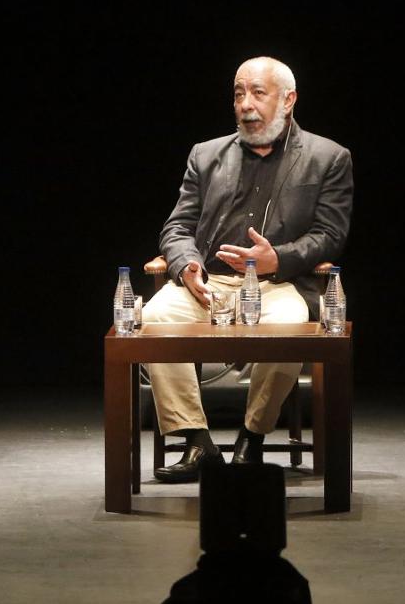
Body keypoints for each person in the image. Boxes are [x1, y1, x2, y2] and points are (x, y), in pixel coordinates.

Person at [146, 56, 353, 483]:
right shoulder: (206, 155)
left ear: (289, 99)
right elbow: (177, 226)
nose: (245, 104)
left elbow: (329, 234)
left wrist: (279, 257)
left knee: (290, 328)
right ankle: (197, 440)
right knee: (154, 320)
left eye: (258, 92)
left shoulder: (328, 157)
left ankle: (251, 437)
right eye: (239, 93)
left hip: (279, 284)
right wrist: (186, 266)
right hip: (209, 283)